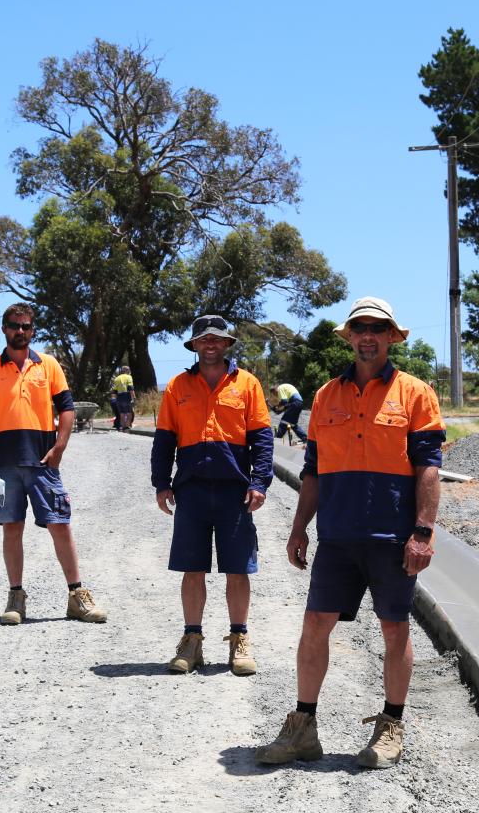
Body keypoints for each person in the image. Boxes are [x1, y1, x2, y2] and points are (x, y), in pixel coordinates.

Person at [256, 296, 443, 769]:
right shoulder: (324, 396)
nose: (367, 335)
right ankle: (302, 729)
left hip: (391, 536)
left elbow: (428, 468)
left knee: (394, 628)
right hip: (337, 536)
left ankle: (391, 726)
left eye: (376, 328)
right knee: (315, 624)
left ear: (390, 337)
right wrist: (299, 527)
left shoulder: (415, 393)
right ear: (350, 336)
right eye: (359, 327)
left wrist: (422, 530)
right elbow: (314, 470)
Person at [151, 315, 274, 675]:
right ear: (194, 345)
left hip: (235, 491)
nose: (210, 344)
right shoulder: (177, 386)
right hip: (190, 490)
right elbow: (164, 439)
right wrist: (161, 483)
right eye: (204, 339)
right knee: (193, 568)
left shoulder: (247, 385)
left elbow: (263, 440)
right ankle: (192, 641)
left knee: (238, 569)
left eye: (217, 339)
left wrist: (259, 483)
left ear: (227, 344)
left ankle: (239, 640)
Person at [0, 303, 107, 626]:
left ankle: (77, 596)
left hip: (44, 463)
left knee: (60, 525)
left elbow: (67, 409)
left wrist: (60, 446)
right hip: (5, 465)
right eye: (14, 326)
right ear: (4, 329)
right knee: (12, 529)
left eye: (26, 326)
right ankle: (16, 598)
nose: (20, 331)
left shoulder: (48, 366)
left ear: (33, 330)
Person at [111, 365, 136, 431]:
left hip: (118, 398)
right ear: (127, 371)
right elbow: (130, 388)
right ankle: (127, 427)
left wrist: (114, 400)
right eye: (129, 370)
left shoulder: (117, 378)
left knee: (122, 414)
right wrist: (134, 398)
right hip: (126, 396)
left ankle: (122, 427)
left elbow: (114, 391)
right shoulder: (129, 377)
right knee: (129, 414)